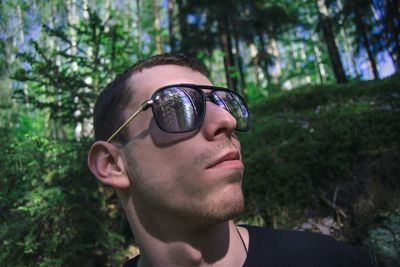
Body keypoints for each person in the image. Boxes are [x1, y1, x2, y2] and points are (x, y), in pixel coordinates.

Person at [87, 54, 375, 267]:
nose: (226, 120)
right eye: (177, 107)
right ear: (112, 164)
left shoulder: (327, 260)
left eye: (223, 103)